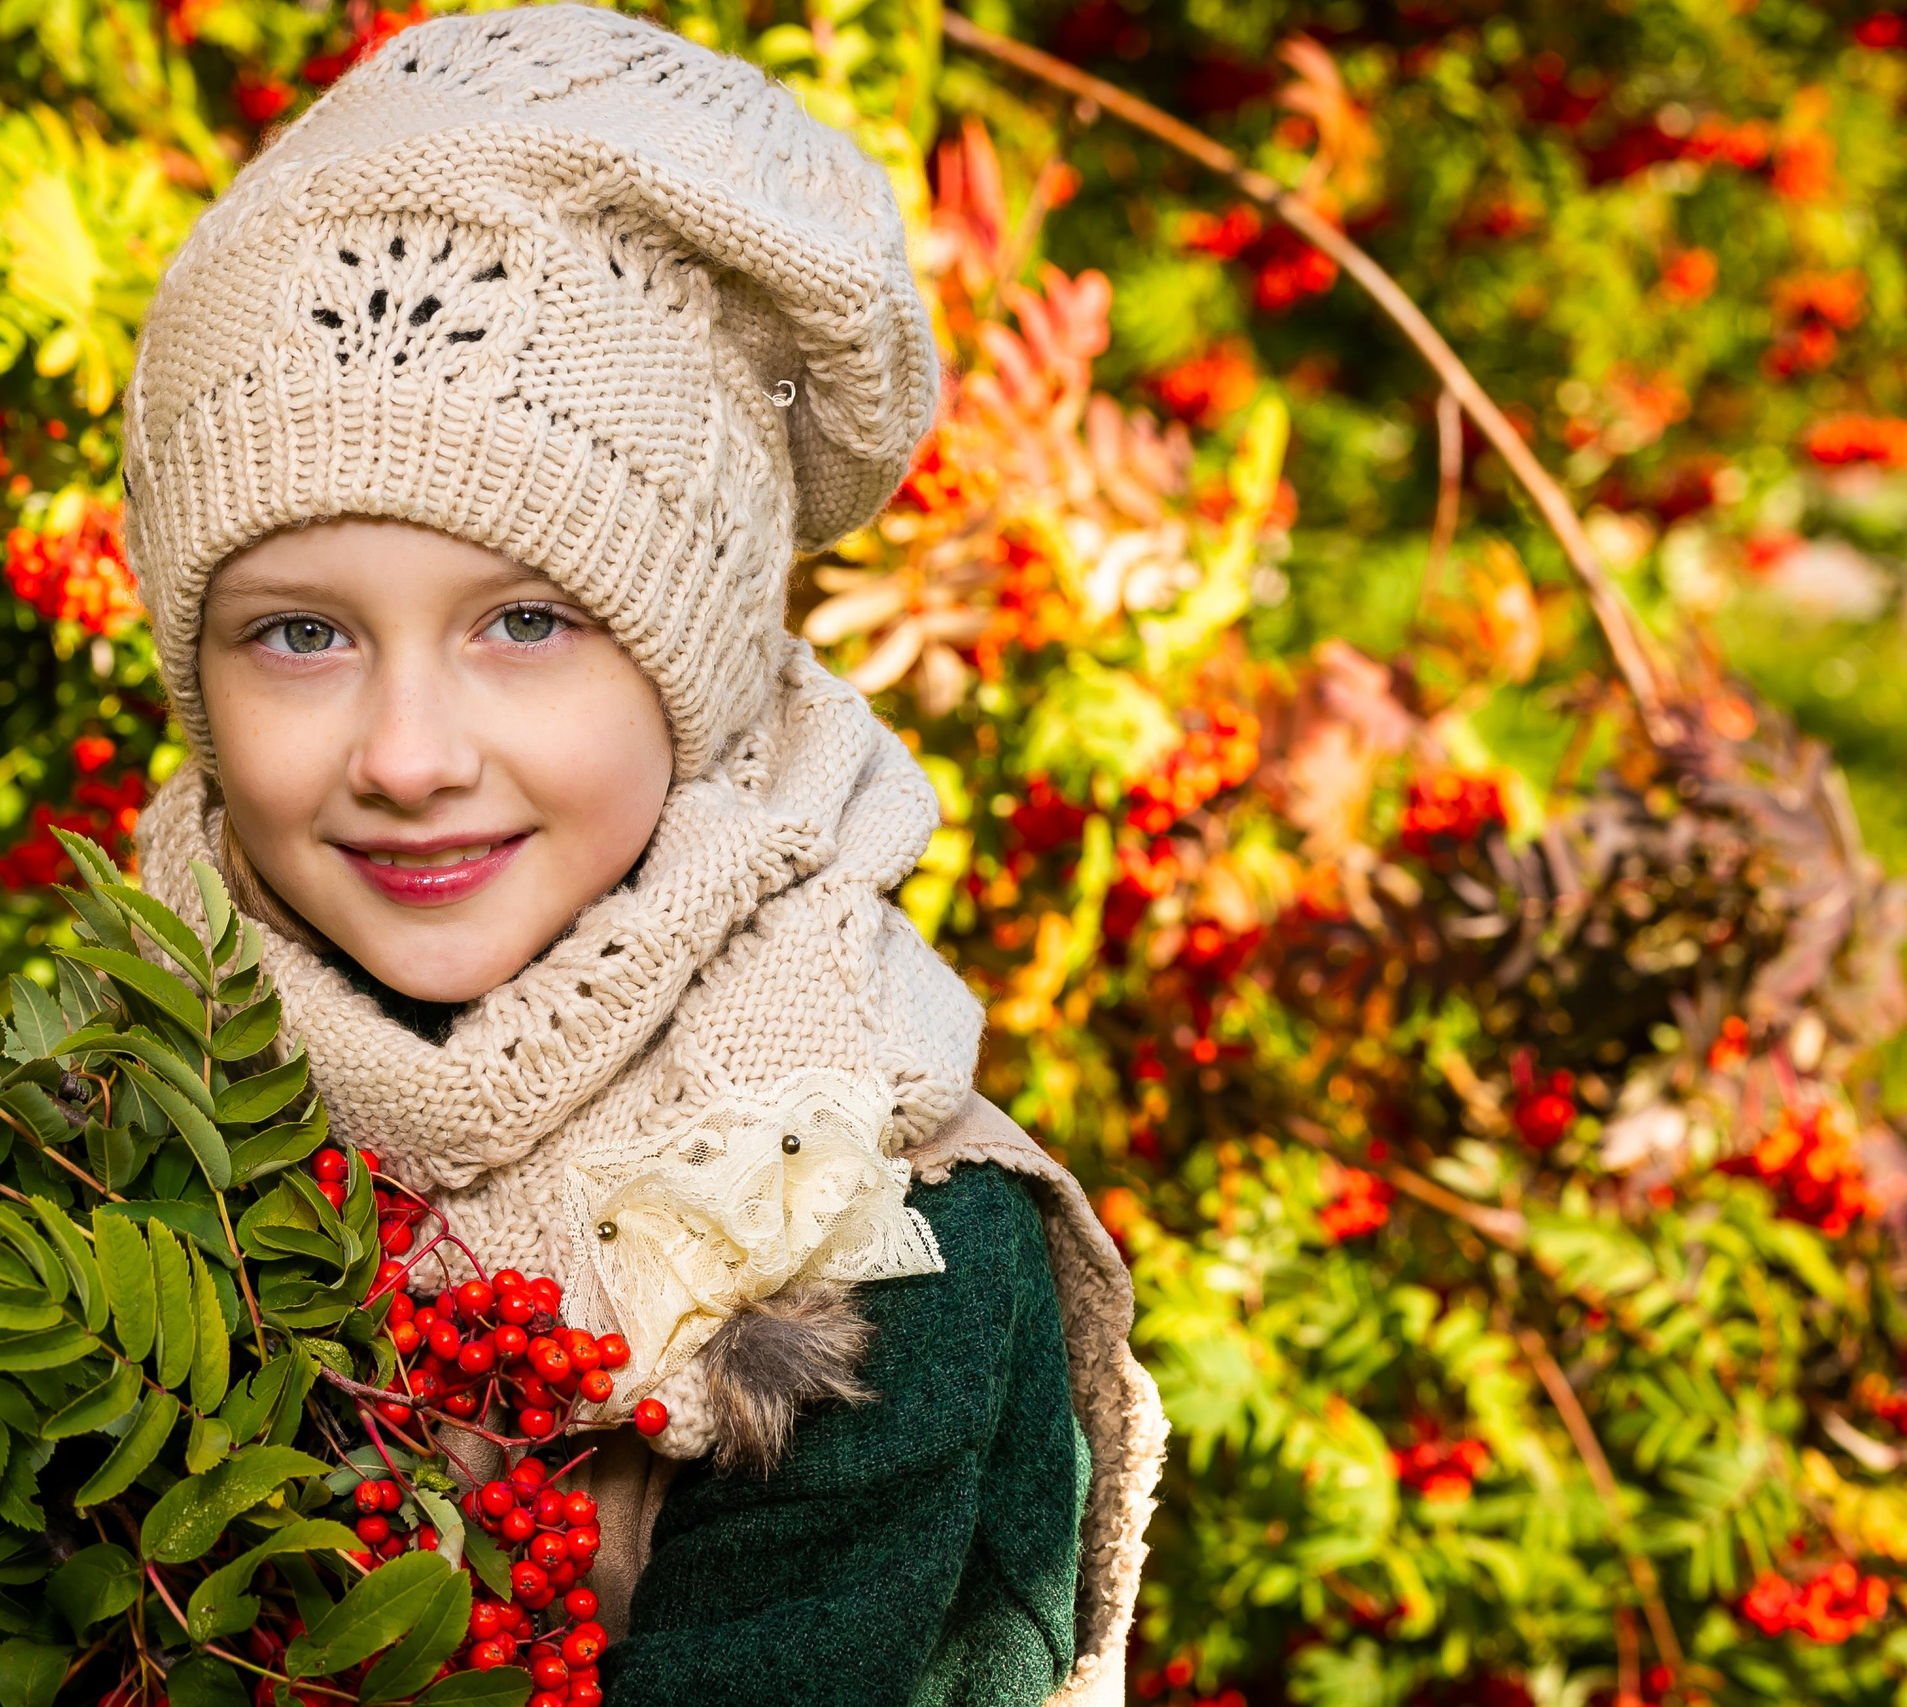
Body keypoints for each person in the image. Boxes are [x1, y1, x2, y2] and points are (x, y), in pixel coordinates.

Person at [123, 8, 1164, 1702]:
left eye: (526, 621)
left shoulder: (870, 1242)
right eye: (299, 635)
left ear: (699, 671)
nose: (406, 757)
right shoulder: (99, 1125)